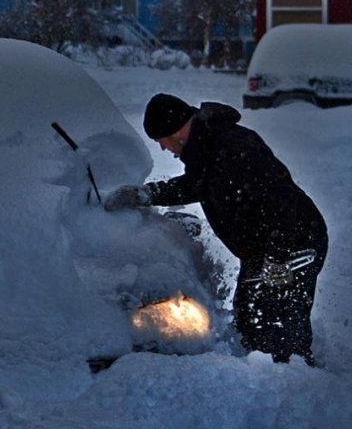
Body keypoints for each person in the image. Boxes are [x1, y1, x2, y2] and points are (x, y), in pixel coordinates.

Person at [104, 93, 328, 366]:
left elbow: (280, 201)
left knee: (280, 331)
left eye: (159, 140)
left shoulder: (231, 147)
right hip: (264, 250)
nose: (162, 148)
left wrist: (278, 258)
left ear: (173, 130)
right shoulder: (206, 147)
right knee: (249, 323)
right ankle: (268, 378)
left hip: (294, 244)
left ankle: (299, 385)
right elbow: (196, 184)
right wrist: (148, 194)